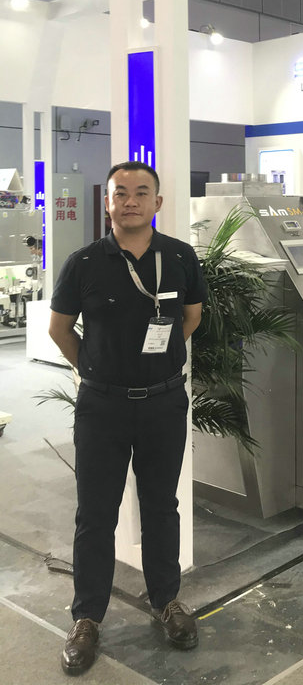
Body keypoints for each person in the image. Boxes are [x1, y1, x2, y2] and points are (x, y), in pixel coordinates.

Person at [49, 160, 208, 676]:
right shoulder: (84, 262)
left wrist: (156, 363)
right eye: (121, 193)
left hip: (163, 402)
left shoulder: (180, 257)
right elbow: (59, 329)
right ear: (108, 202)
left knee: (161, 505)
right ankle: (87, 618)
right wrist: (96, 369)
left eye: (142, 192)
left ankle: (167, 602)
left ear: (157, 203)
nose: (131, 201)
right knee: (96, 513)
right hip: (103, 407)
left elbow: (191, 317)